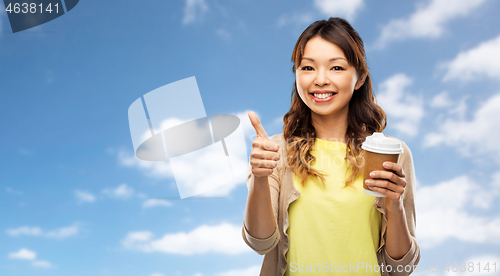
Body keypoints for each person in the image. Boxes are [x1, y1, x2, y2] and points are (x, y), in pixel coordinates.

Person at [242, 17, 420, 276]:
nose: (320, 80)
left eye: (336, 68)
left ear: (359, 78)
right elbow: (260, 242)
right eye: (308, 68)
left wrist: (395, 205)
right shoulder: (274, 150)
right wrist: (260, 177)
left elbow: (401, 267)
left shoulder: (391, 153)